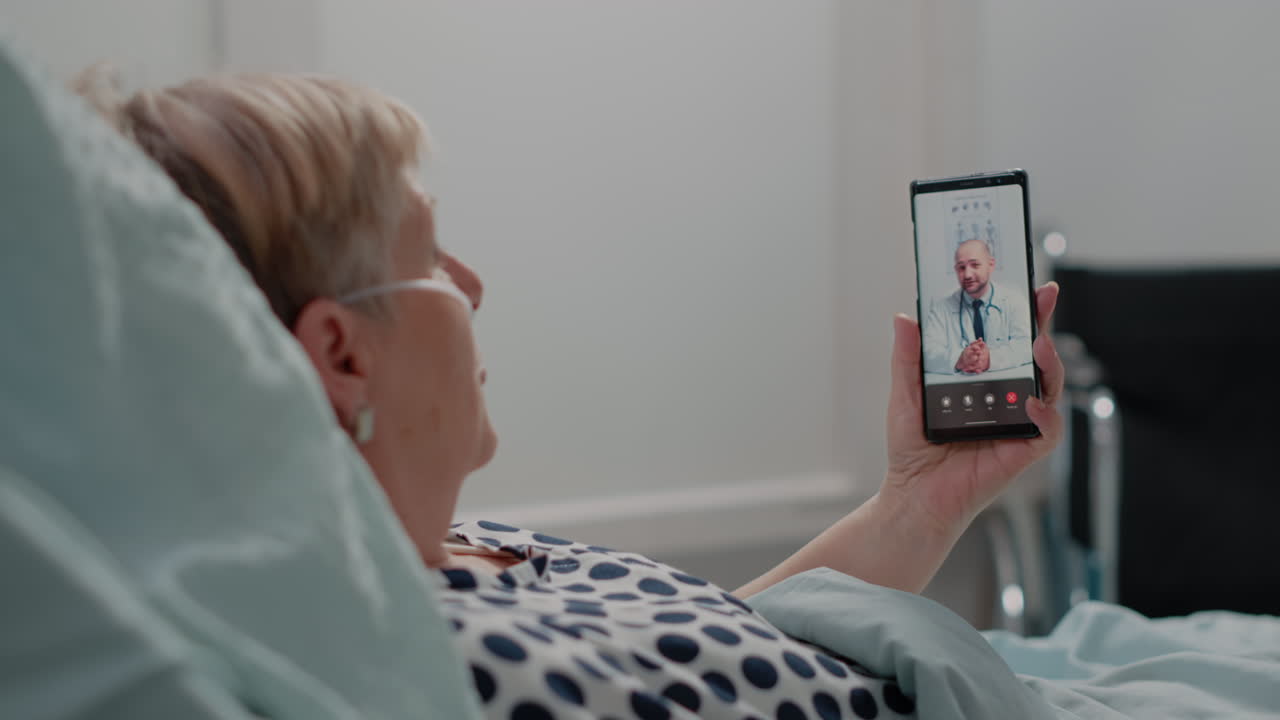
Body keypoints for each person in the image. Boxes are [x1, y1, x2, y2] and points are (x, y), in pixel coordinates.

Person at [85, 72, 1064, 719]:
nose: (471, 285)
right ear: (342, 355)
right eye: (427, 253)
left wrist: (915, 500)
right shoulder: (429, 673)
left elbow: (715, 650)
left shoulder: (436, 561)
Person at [922, 238, 1034, 376]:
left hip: (1005, 385)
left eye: (975, 265)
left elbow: (1028, 346)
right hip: (958, 389)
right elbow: (928, 353)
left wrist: (990, 359)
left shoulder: (1014, 300)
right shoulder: (941, 307)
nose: (967, 274)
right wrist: (959, 359)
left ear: (991, 265)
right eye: (961, 267)